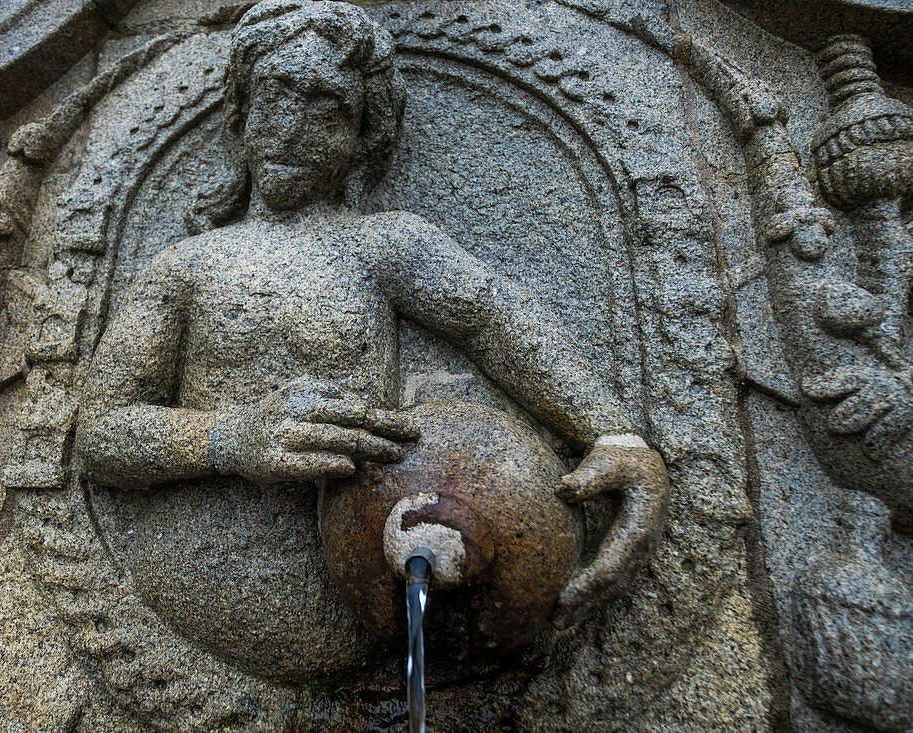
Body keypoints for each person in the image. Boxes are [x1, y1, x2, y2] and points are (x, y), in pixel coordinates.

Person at [78, 0, 669, 681]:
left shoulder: (380, 244)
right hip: (188, 599)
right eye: (274, 95)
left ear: (364, 137)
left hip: (380, 583)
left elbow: (497, 322)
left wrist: (616, 436)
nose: (292, 127)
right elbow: (101, 433)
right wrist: (229, 438)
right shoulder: (185, 267)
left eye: (326, 105)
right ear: (239, 118)